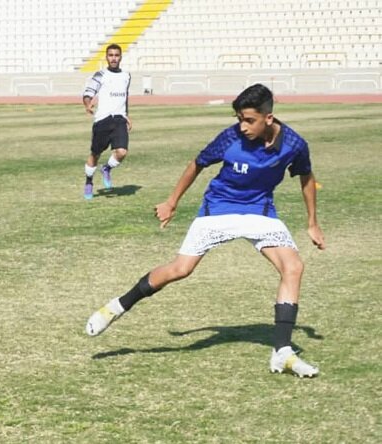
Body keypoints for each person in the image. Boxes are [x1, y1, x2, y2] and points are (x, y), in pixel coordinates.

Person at [85, 83, 326, 378]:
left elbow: (305, 176)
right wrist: (171, 202)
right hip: (218, 209)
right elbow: (196, 164)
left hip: (260, 212)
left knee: (293, 267)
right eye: (240, 118)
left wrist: (312, 222)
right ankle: (116, 307)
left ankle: (282, 352)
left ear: (269, 118)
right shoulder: (229, 138)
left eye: (249, 120)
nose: (243, 126)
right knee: (181, 269)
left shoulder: (294, 144)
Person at [82, 43, 131, 200]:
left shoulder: (126, 76)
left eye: (116, 55)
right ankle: (89, 181)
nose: (114, 58)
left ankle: (107, 169)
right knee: (95, 154)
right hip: (102, 120)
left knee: (122, 152)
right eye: (111, 55)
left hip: (119, 119)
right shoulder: (100, 75)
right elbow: (88, 93)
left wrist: (127, 115)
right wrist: (87, 104)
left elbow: (125, 97)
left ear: (120, 57)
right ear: (106, 57)